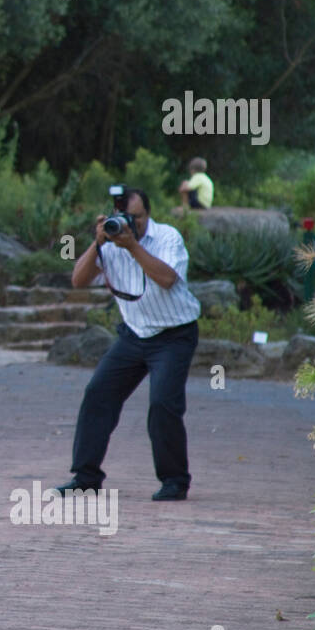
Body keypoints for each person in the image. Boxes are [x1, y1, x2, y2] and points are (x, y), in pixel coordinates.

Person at [55, 187, 201, 501]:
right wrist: (98, 242)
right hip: (133, 334)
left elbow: (167, 279)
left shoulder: (167, 237)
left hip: (174, 335)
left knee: (163, 404)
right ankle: (86, 476)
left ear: (148, 215)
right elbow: (78, 281)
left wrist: (132, 245)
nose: (130, 224)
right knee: (98, 394)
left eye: (136, 218)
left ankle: (175, 481)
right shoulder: (110, 240)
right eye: (125, 218)